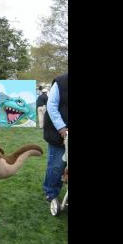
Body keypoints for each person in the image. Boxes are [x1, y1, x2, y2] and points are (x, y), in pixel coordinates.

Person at [42, 73, 68, 205]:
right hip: (58, 133)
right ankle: (51, 192)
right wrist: (62, 128)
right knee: (57, 165)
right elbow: (51, 106)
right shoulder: (60, 82)